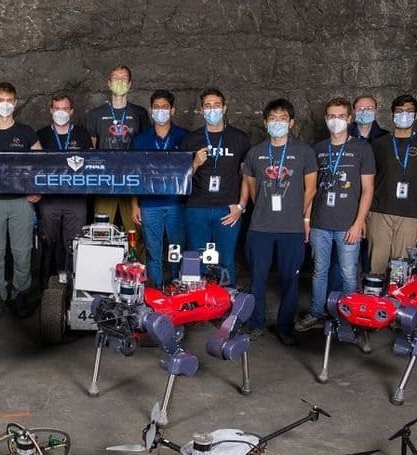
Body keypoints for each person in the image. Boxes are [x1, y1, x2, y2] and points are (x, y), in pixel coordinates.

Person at [294, 97, 376, 333]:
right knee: (319, 270)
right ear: (326, 119)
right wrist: (307, 220)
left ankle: (351, 317)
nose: (336, 121)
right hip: (320, 223)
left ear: (349, 119)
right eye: (331, 116)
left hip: (348, 224)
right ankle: (317, 312)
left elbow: (368, 189)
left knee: (349, 273)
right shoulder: (317, 149)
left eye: (341, 116)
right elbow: (310, 188)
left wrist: (359, 223)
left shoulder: (362, 148)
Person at [240, 98, 317, 345]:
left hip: (291, 228)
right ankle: (257, 323)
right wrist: (265, 209)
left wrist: (299, 213)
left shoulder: (304, 152)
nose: (277, 123)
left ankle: (285, 327)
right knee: (258, 278)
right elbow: (252, 188)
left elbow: (311, 188)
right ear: (265, 123)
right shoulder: (256, 152)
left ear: (291, 122)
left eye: (283, 119)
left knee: (290, 279)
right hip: (260, 227)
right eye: (272, 119)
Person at [0, 82, 42, 318]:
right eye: (0, 100)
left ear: (15, 103)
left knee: (22, 250)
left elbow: (40, 165)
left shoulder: (26, 132)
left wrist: (39, 191)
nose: (5, 105)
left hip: (21, 200)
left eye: (9, 101)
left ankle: (21, 293)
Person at [180, 89, 249, 287]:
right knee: (195, 258)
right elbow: (181, 179)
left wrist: (240, 206)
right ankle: (196, 304)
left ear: (224, 108)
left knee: (226, 260)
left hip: (227, 209)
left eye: (216, 105)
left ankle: (228, 305)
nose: (212, 110)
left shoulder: (239, 138)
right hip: (197, 207)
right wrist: (194, 164)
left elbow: (247, 177)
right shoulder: (191, 139)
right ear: (202, 110)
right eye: (208, 106)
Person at [367, 94, 417, 275]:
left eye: (409, 111)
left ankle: (398, 302)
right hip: (379, 212)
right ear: (392, 115)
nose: (404, 115)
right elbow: (369, 182)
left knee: (402, 268)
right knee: (377, 265)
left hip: (411, 216)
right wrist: (365, 216)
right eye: (399, 111)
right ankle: (377, 302)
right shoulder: (378, 144)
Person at [86, 65, 150, 258]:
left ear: (130, 84)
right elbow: (91, 151)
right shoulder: (96, 114)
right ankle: (101, 277)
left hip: (132, 182)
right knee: (101, 231)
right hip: (105, 181)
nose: (119, 82)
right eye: (116, 78)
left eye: (124, 79)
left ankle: (139, 275)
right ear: (108, 83)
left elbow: (146, 148)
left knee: (136, 232)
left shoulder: (139, 113)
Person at [129, 90, 189, 286]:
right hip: (150, 204)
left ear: (173, 111)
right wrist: (134, 204)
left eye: (165, 107)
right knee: (153, 252)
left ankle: (177, 290)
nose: (160, 111)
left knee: (177, 251)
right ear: (150, 110)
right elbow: (134, 174)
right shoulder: (140, 139)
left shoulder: (184, 137)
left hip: (176, 203)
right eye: (156, 107)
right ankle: (155, 293)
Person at [35, 94, 91, 282]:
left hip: (76, 199)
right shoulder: (40, 135)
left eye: (65, 109)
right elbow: (32, 167)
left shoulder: (82, 134)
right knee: (47, 244)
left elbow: (92, 164)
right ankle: (44, 287)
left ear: (71, 111)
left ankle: (71, 289)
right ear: (51, 110)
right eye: (57, 108)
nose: (61, 112)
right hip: (49, 199)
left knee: (74, 246)